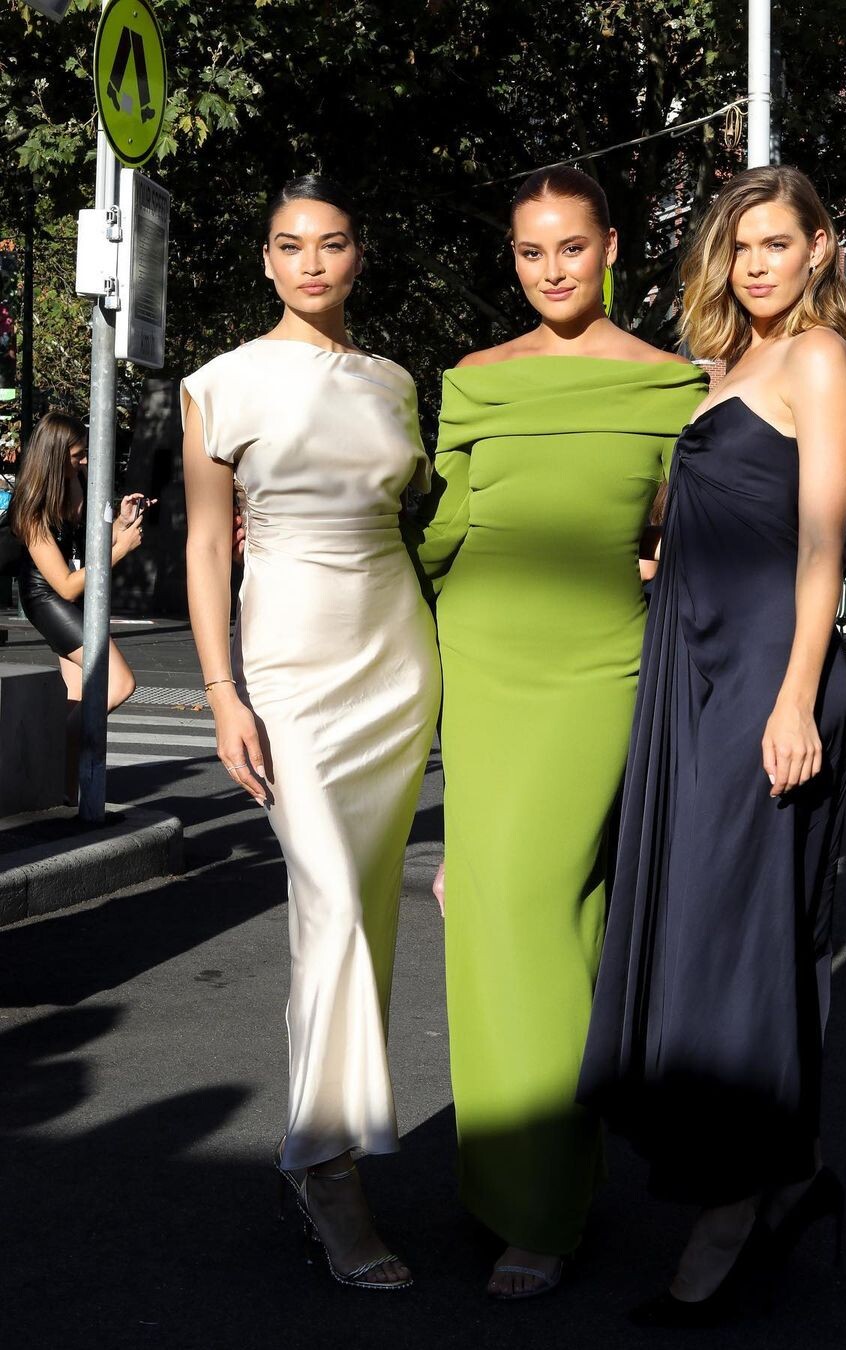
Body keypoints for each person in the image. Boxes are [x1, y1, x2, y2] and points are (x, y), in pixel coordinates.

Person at [416, 166, 708, 1299]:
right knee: (508, 916)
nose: (552, 270)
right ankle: (524, 1183)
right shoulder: (473, 381)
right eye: (532, 252)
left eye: (572, 248)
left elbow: (707, 530)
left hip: (596, 667)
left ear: (612, 247)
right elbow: (445, 525)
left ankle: (542, 1211)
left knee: (530, 907)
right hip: (479, 657)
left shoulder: (672, 384)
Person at [578, 164, 846, 1326]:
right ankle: (788, 1169)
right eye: (740, 246)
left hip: (766, 680)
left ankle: (732, 1206)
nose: (755, 264)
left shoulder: (818, 359)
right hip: (690, 676)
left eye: (776, 243)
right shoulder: (723, 366)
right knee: (712, 925)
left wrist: (793, 700)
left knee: (732, 937)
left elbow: (822, 544)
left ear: (819, 248)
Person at [183, 175, 440, 1290]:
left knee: (362, 916)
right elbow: (207, 545)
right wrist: (221, 691)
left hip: (397, 660)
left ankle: (323, 1145)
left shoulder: (394, 382)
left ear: (357, 256)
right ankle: (326, 1172)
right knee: (330, 902)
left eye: (332, 244)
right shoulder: (219, 382)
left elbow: (415, 520)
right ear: (266, 260)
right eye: (291, 246)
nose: (313, 263)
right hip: (287, 661)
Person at [8, 411, 147, 799]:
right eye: (77, 455)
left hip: (72, 593)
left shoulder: (75, 484)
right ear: (55, 457)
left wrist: (121, 525)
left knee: (80, 698)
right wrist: (120, 551)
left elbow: (89, 547)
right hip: (47, 598)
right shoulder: (31, 510)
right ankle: (47, 755)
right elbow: (66, 587)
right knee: (118, 683)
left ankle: (66, 794)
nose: (85, 461)